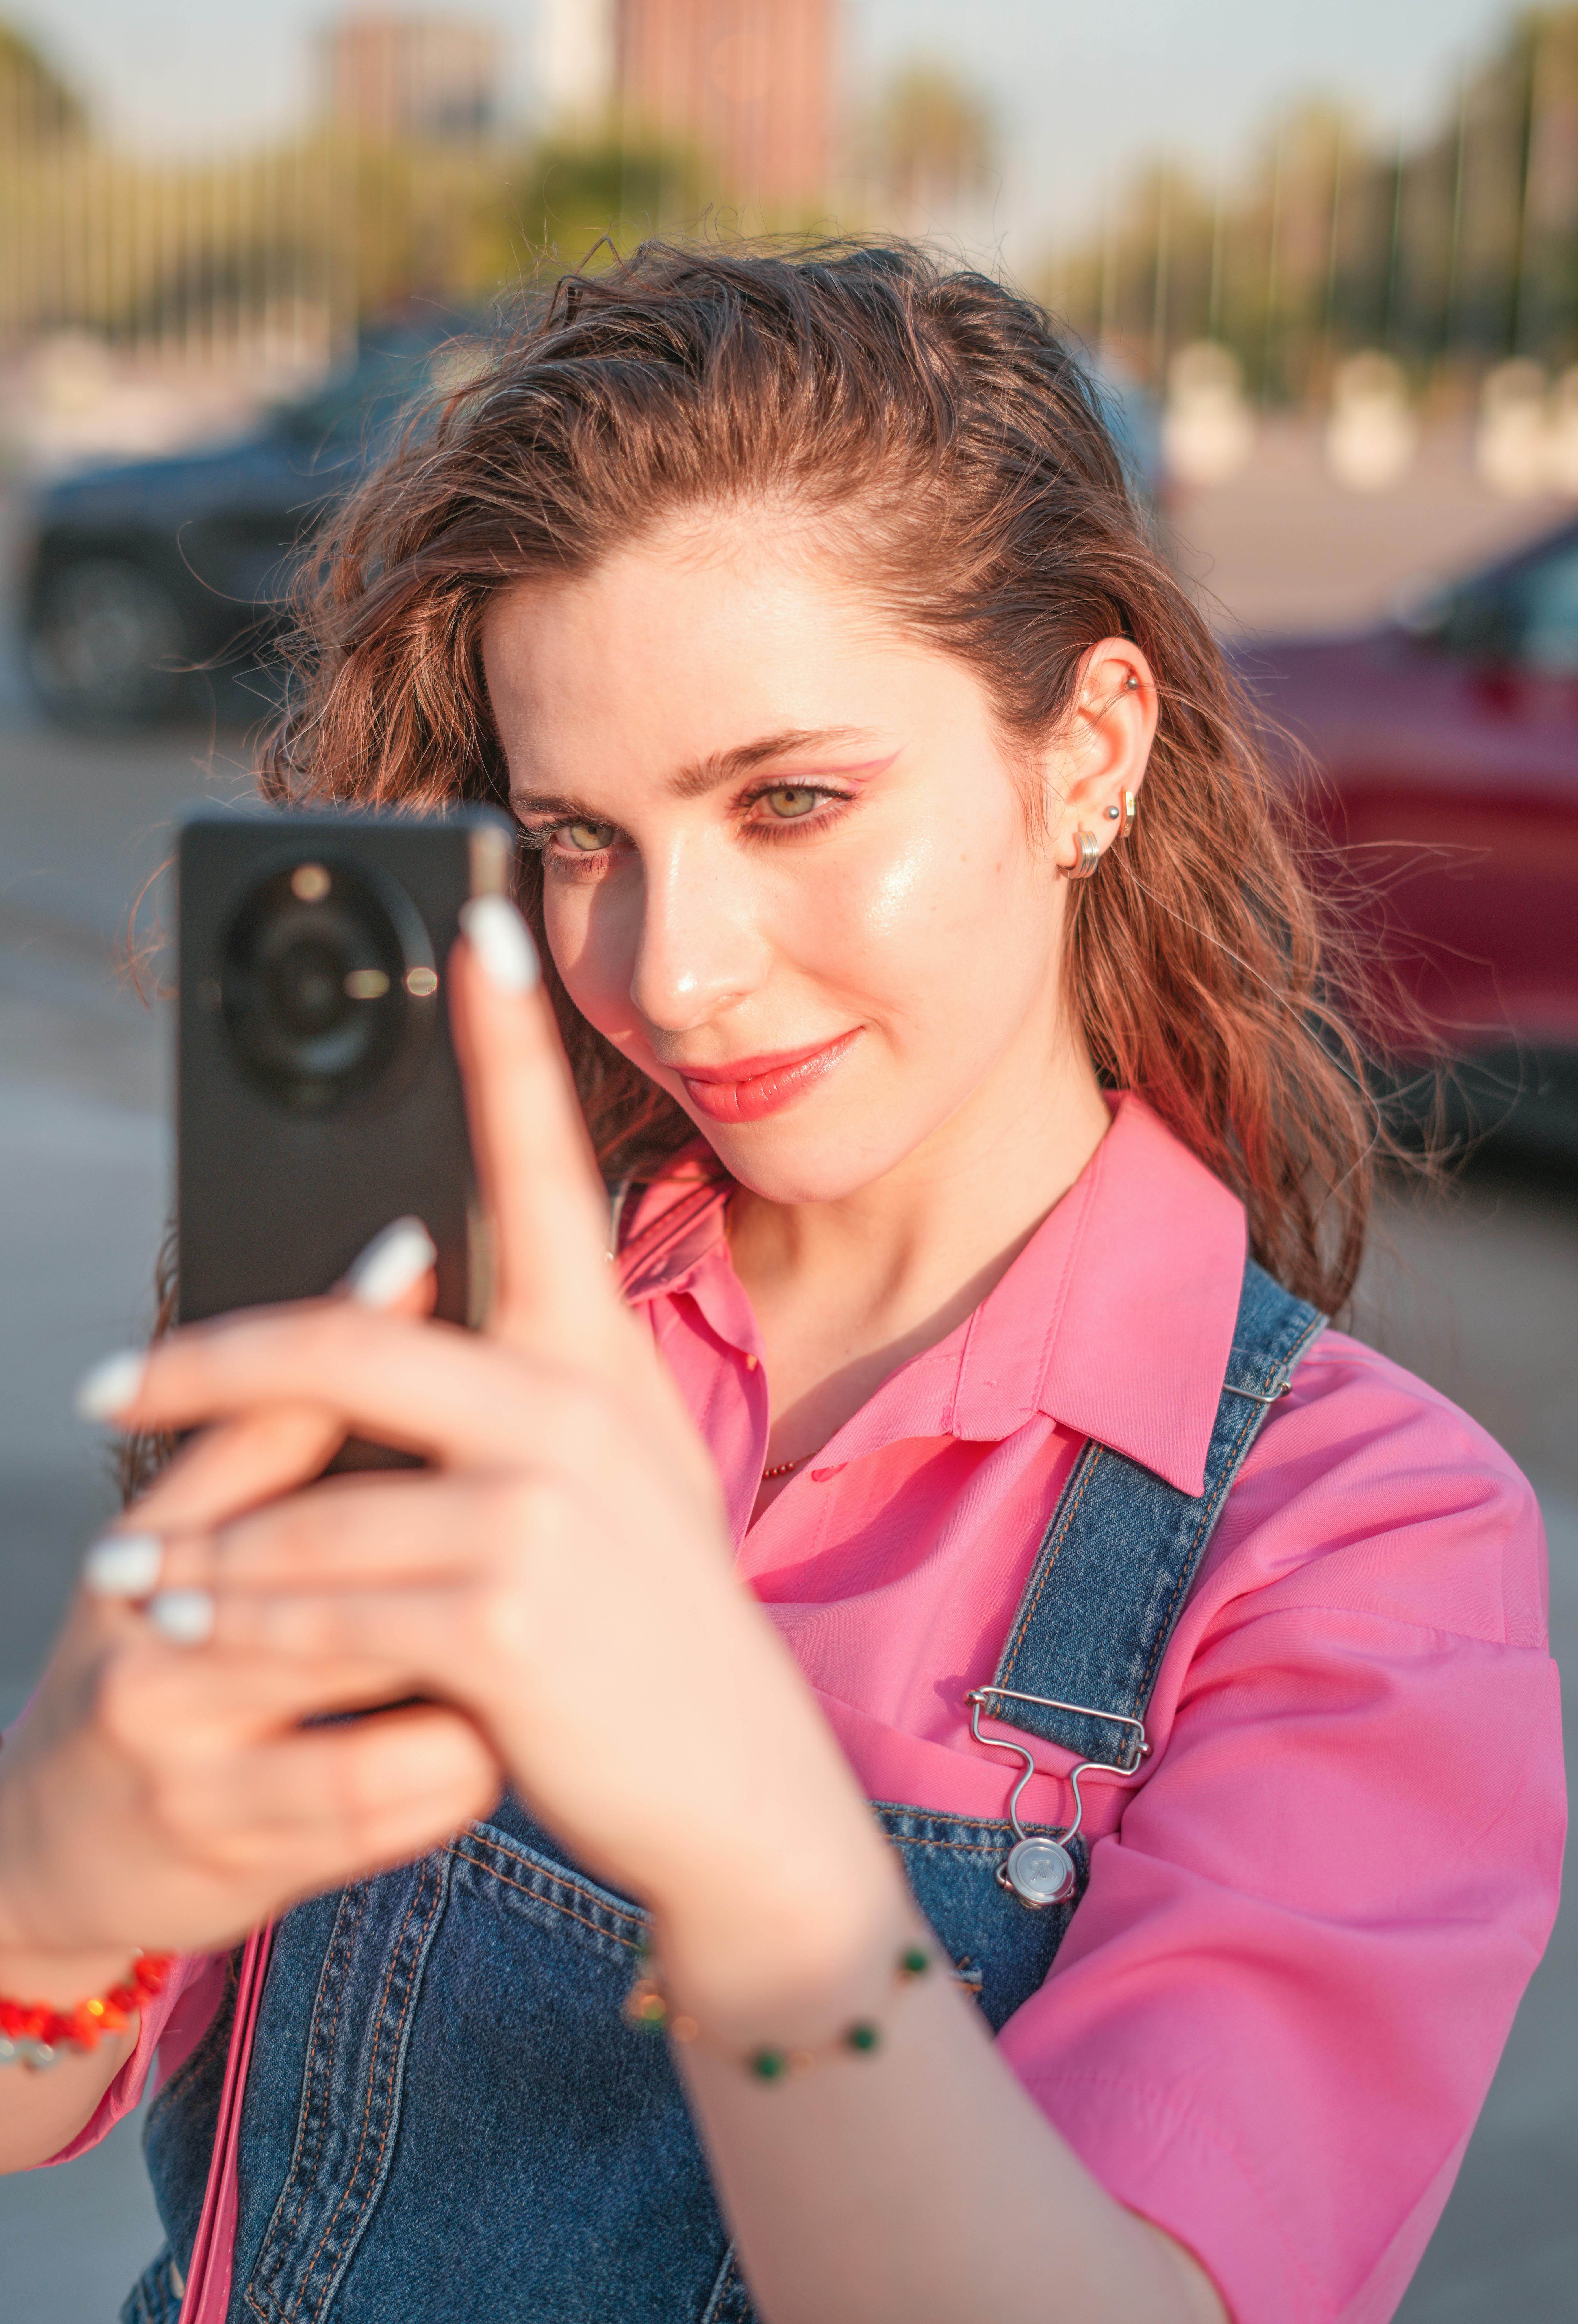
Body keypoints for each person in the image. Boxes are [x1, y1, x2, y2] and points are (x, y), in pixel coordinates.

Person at [0, 244, 1562, 2324]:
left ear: (1090, 744)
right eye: (580, 836)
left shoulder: (1360, 1549)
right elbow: (61, 2083)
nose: (674, 968)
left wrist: (752, 1854)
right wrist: (48, 1891)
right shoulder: (434, 1347)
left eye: (792, 799)